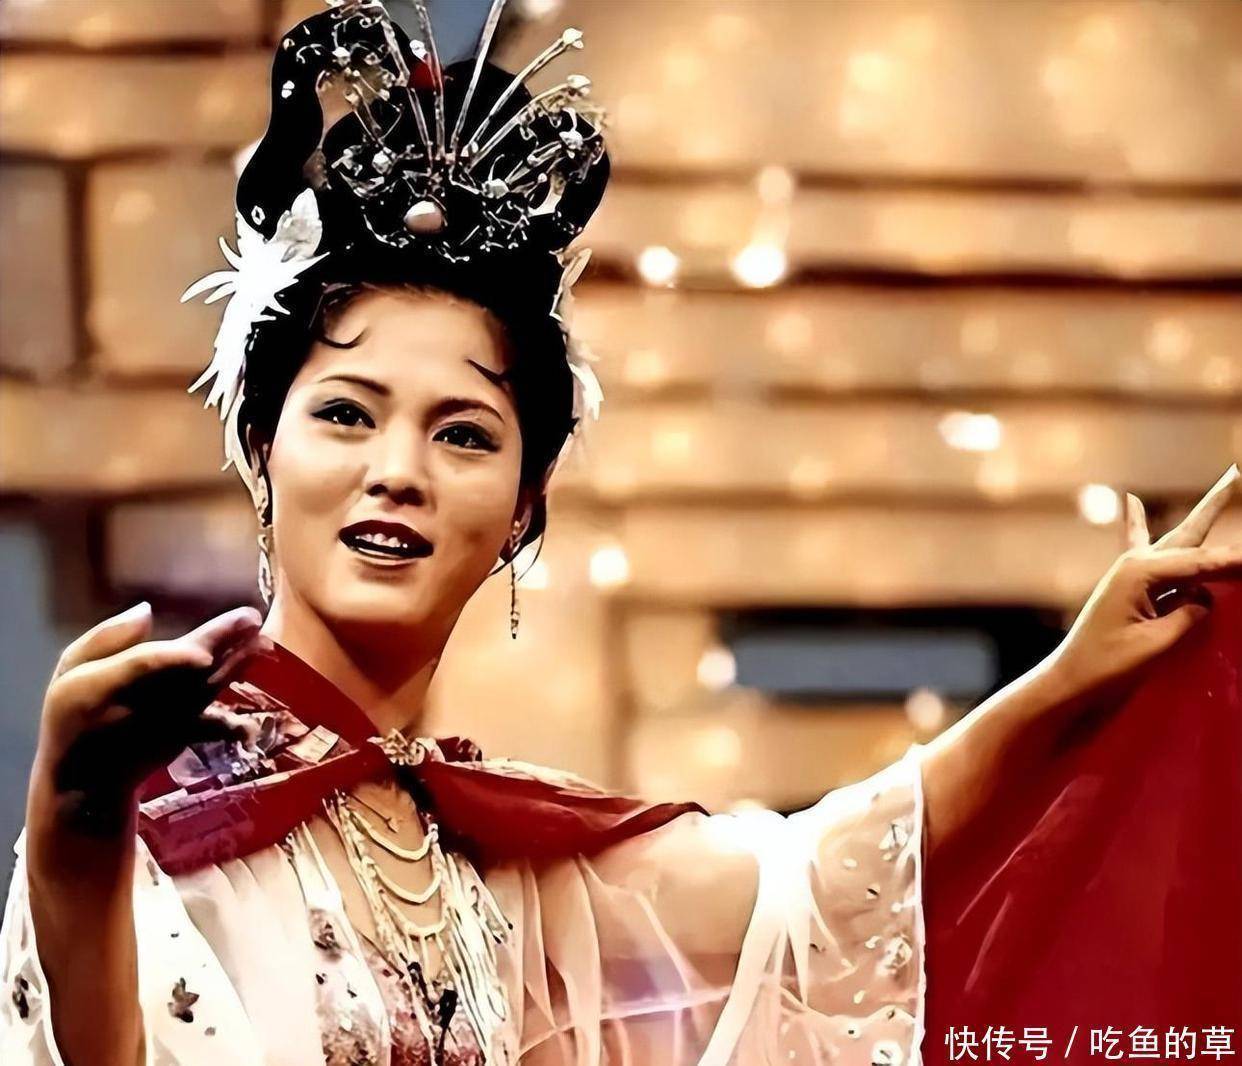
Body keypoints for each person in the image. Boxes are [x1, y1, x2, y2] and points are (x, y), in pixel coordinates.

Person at [3, 2, 1240, 1064]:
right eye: (345, 414)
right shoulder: (172, 811)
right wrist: (75, 818)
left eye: (464, 434)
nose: (398, 473)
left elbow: (826, 881)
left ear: (524, 507)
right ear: (259, 450)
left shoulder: (500, 857)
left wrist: (1074, 678)